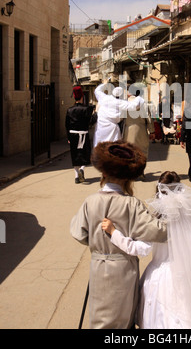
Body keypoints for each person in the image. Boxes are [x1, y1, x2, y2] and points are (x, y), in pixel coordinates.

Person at [102, 171, 191, 329]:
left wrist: (113, 232)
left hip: (161, 277)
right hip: (188, 273)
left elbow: (137, 248)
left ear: (158, 194)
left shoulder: (156, 225)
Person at [70, 141, 167, 329]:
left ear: (103, 174)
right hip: (124, 268)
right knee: (123, 319)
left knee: (100, 317)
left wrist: (98, 244)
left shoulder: (90, 202)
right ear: (128, 179)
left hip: (98, 266)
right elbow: (158, 231)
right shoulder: (132, 205)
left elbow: (78, 233)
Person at [93, 81, 144, 146]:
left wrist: (104, 84)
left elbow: (97, 91)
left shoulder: (104, 98)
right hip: (112, 128)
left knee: (100, 145)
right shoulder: (119, 103)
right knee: (113, 146)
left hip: (100, 125)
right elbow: (134, 106)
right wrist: (139, 97)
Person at [123, 88, 155, 175]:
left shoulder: (125, 103)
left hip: (128, 131)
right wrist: (152, 131)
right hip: (141, 131)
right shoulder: (143, 103)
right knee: (142, 152)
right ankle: (141, 171)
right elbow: (148, 119)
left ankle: (130, 172)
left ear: (129, 93)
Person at [65, 86, 94, 184]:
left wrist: (68, 137)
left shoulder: (69, 110)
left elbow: (67, 125)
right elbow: (91, 121)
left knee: (75, 155)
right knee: (86, 154)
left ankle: (76, 176)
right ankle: (82, 169)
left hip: (72, 135)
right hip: (84, 134)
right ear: (82, 97)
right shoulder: (87, 109)